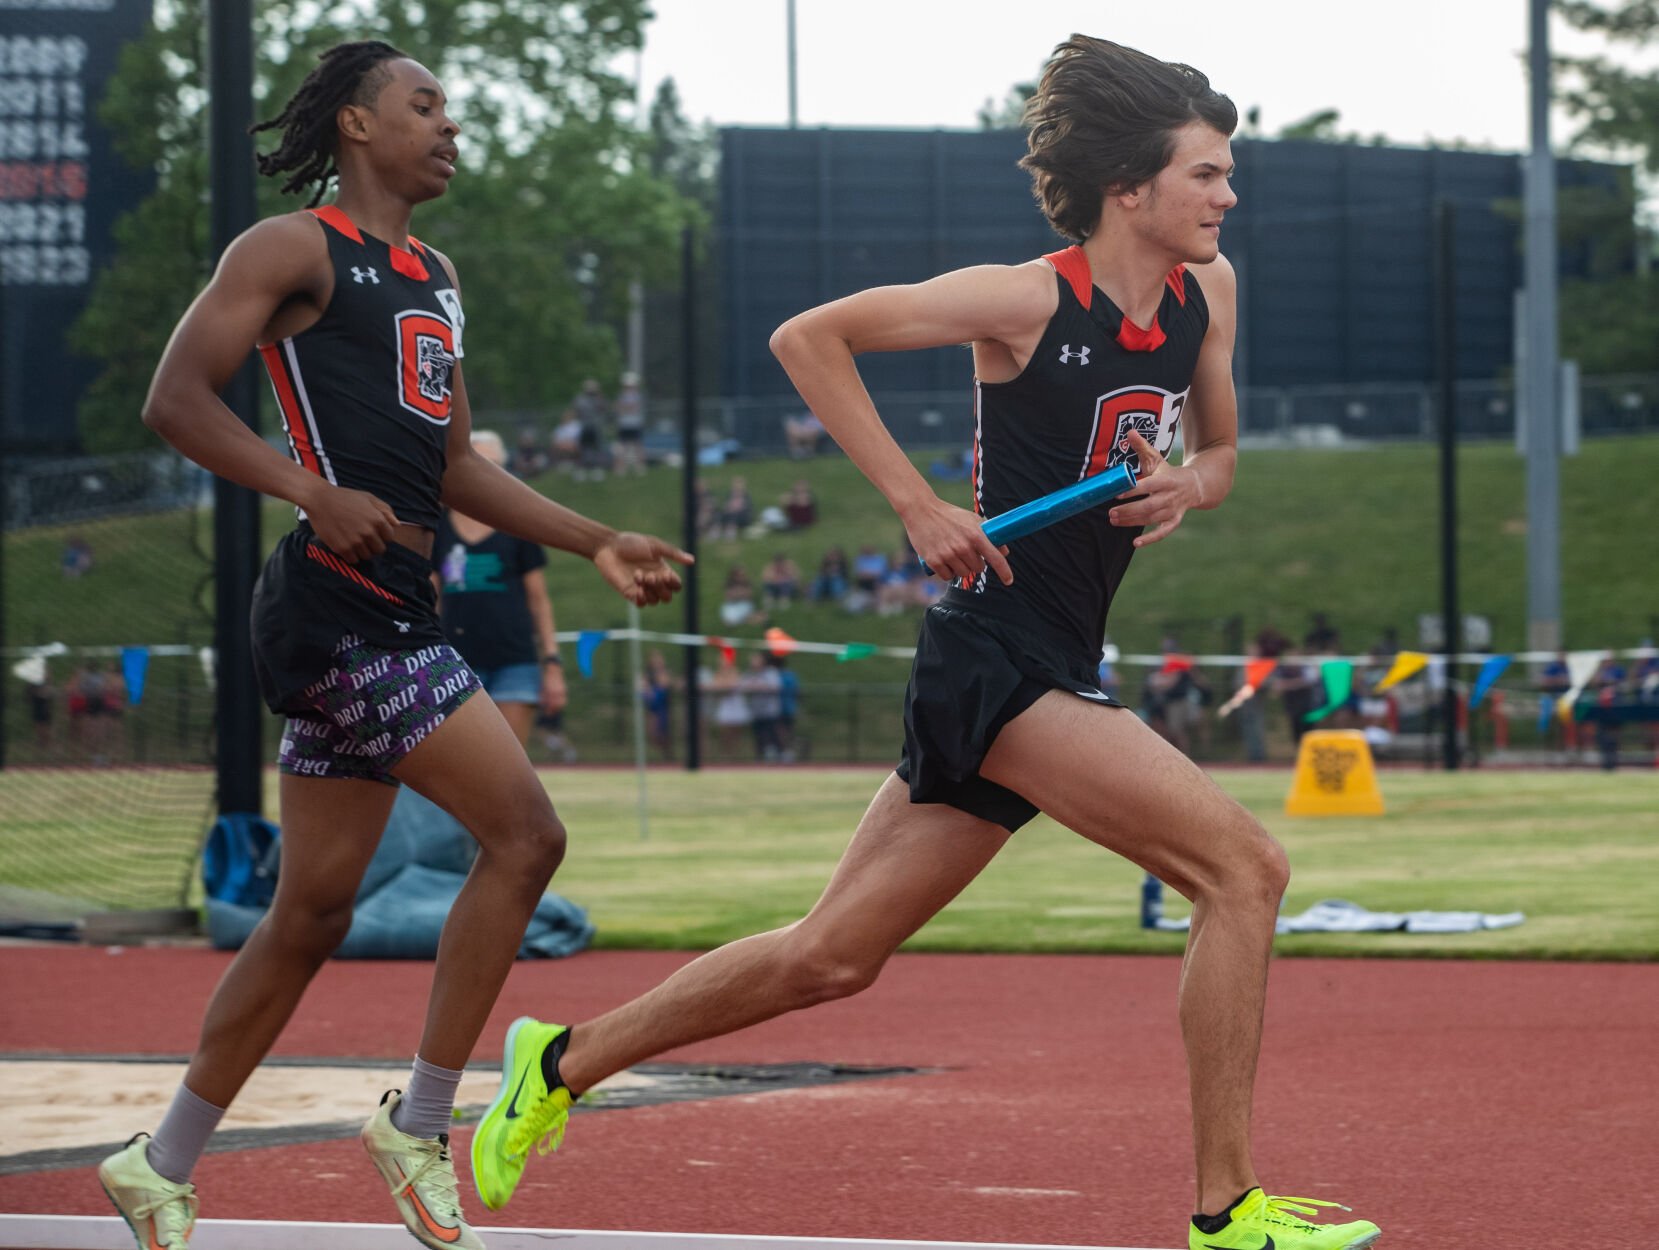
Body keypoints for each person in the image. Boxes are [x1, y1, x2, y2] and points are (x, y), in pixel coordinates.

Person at [470, 35, 1377, 1250]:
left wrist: (1186, 491)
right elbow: (809, 337)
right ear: (1130, 188)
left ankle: (559, 1061)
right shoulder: (1027, 297)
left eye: (1227, 173)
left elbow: (1218, 454)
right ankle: (1226, 1208)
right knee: (1244, 869)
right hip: (1000, 657)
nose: (1227, 195)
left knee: (830, 957)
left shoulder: (1209, 294)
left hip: (1050, 657)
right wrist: (913, 498)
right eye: (1206, 174)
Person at [95, 42, 689, 1250]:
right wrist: (308, 489)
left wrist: (591, 540)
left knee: (310, 912)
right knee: (526, 835)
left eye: (452, 108)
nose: (450, 125)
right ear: (360, 123)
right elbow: (177, 398)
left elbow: (460, 464)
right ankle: (419, 1121)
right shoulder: (289, 248)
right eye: (425, 105)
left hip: (393, 604)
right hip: (330, 603)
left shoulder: (435, 272)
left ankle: (157, 1161)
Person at [435, 430, 566, 748]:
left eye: (493, 466)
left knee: (507, 762)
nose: (484, 475)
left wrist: (552, 664)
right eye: (476, 464)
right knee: (462, 765)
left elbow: (539, 600)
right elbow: (431, 601)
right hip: (457, 662)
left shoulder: (518, 526)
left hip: (514, 661)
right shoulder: (436, 527)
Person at [611, 371, 646, 475]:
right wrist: (625, 407)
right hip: (624, 424)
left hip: (634, 423)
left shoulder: (638, 396)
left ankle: (640, 467)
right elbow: (618, 408)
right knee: (623, 446)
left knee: (637, 446)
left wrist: (624, 407)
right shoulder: (622, 396)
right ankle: (621, 467)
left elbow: (633, 408)